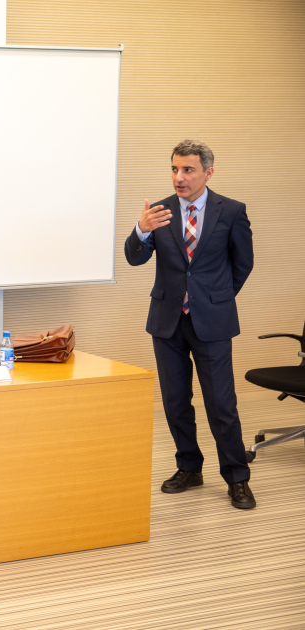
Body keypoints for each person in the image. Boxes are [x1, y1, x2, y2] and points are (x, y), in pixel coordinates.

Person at [125, 139, 255, 509]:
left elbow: (243, 263)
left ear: (208, 172)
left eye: (188, 170)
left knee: (222, 405)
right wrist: (140, 230)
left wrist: (214, 298)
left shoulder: (231, 211)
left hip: (212, 321)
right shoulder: (159, 212)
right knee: (175, 401)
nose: (179, 177)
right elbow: (135, 258)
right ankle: (189, 467)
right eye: (174, 169)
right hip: (167, 322)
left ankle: (237, 477)